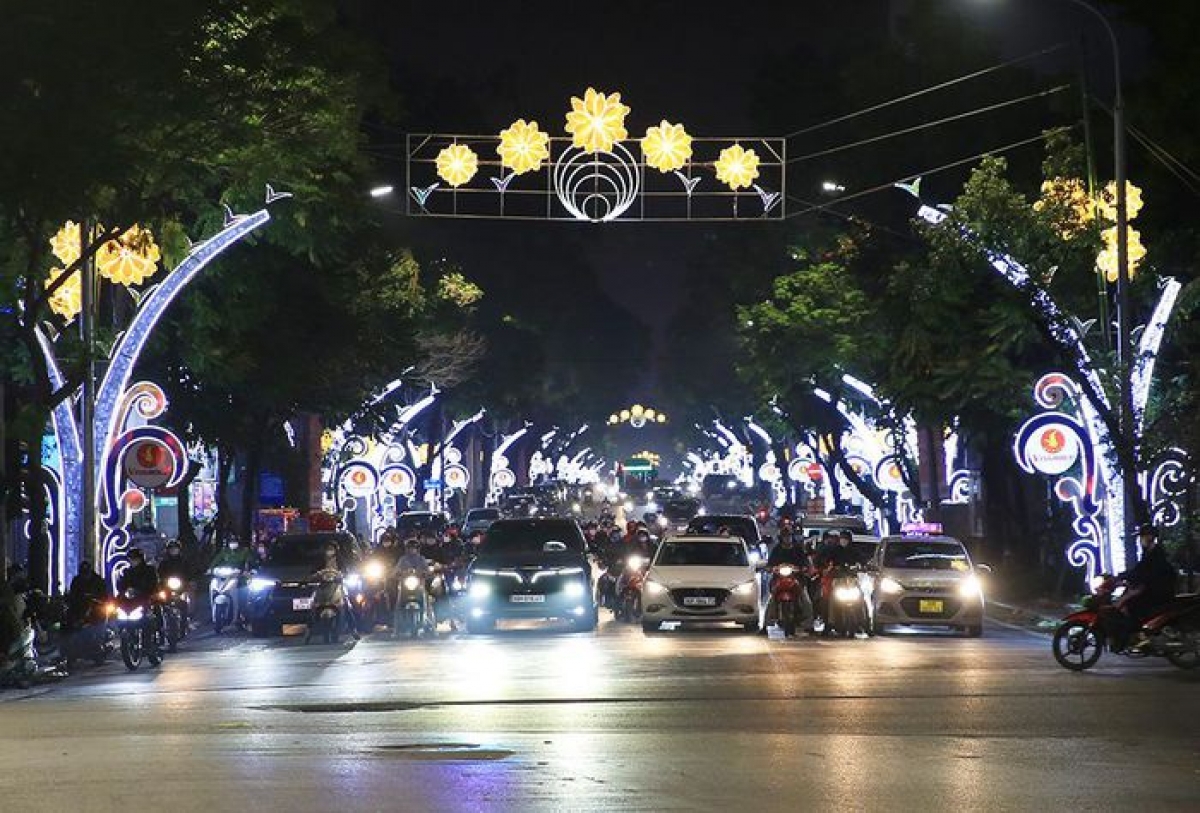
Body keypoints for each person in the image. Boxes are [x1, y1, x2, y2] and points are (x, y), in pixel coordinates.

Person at [1114, 524, 1177, 650]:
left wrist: (1129, 579)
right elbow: (1139, 569)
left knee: (1132, 605)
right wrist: (1121, 577)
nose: (1140, 540)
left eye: (1142, 537)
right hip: (1151, 589)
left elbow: (1147, 574)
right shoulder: (1148, 553)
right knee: (1127, 600)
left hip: (1159, 592)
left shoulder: (1157, 554)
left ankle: (1142, 637)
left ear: (1150, 537)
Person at [764, 531, 815, 634]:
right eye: (785, 536)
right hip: (779, 580)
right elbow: (770, 564)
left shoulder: (798, 549)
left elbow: (805, 562)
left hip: (797, 579)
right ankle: (765, 625)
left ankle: (809, 625)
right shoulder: (777, 550)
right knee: (771, 601)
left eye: (789, 536)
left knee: (806, 601)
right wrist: (772, 568)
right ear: (781, 538)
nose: (787, 538)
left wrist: (803, 568)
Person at [391, 539, 434, 637]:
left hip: (419, 585)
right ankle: (396, 629)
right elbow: (396, 570)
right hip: (405, 586)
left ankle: (431, 623)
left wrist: (425, 573)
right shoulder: (403, 559)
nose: (412, 550)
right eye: (410, 548)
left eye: (414, 548)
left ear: (418, 549)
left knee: (426, 600)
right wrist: (397, 573)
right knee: (398, 604)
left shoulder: (421, 559)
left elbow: (427, 570)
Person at [209, 537, 252, 629]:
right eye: (231, 542)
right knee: (214, 585)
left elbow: (249, 562)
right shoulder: (224, 552)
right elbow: (215, 561)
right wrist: (210, 569)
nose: (233, 544)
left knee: (243, 599)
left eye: (235, 542)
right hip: (224, 577)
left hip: (239, 579)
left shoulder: (244, 552)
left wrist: (246, 571)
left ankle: (243, 617)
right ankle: (215, 616)